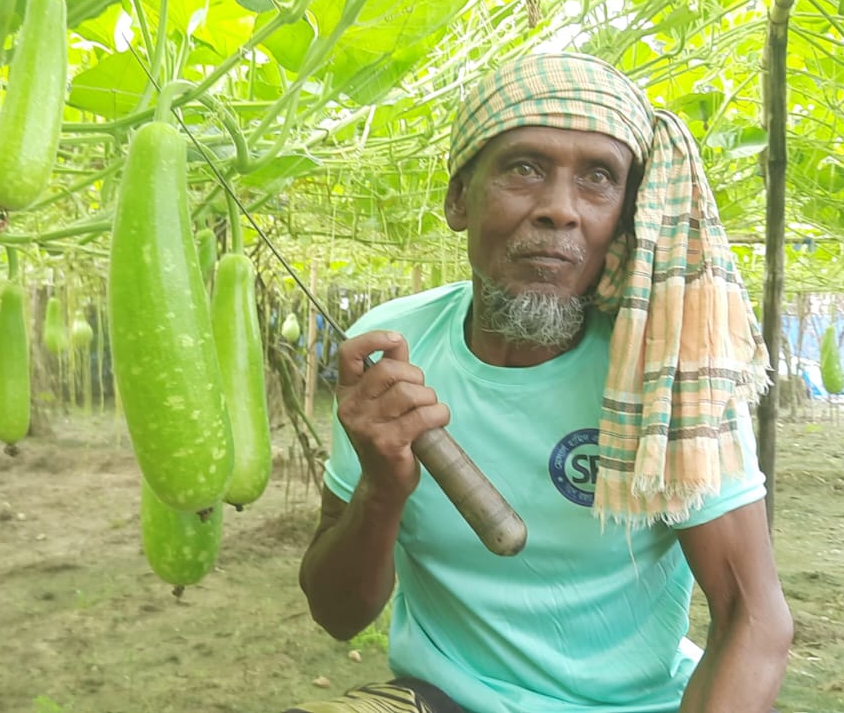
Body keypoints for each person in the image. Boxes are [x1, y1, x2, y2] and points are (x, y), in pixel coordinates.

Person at [288, 53, 793, 713]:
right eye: (524, 169)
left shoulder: (670, 373)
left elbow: (754, 622)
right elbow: (337, 614)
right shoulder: (391, 350)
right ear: (457, 199)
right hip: (440, 700)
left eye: (598, 179)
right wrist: (382, 489)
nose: (560, 210)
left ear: (626, 215)